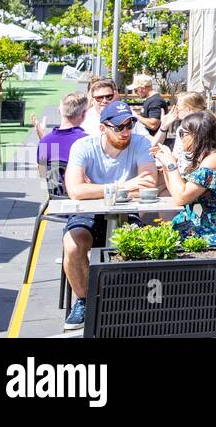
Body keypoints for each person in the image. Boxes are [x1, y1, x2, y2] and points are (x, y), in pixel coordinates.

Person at [62, 101, 157, 331]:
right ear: (103, 127)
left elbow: (148, 184)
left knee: (148, 245)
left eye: (129, 125)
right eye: (119, 127)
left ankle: (133, 303)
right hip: (91, 212)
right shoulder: (83, 146)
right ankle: (84, 300)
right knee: (74, 244)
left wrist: (96, 188)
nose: (126, 132)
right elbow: (75, 190)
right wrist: (125, 185)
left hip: (127, 212)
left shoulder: (141, 142)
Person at [153, 110, 216, 244]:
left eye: (182, 134)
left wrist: (171, 164)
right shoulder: (210, 157)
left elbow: (181, 198)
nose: (180, 139)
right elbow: (176, 194)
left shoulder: (213, 161)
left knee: (166, 238)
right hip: (214, 225)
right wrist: (164, 163)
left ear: (197, 135)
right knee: (166, 233)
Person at [33, 92, 90, 185]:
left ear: (59, 111)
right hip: (83, 195)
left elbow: (42, 173)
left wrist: (43, 138)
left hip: (56, 195)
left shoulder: (45, 141)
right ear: (83, 114)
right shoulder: (87, 141)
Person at [153, 91, 209, 175]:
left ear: (188, 110)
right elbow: (153, 147)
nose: (175, 109)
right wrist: (163, 126)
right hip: (184, 174)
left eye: (178, 107)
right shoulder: (184, 128)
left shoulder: (190, 130)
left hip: (190, 177)